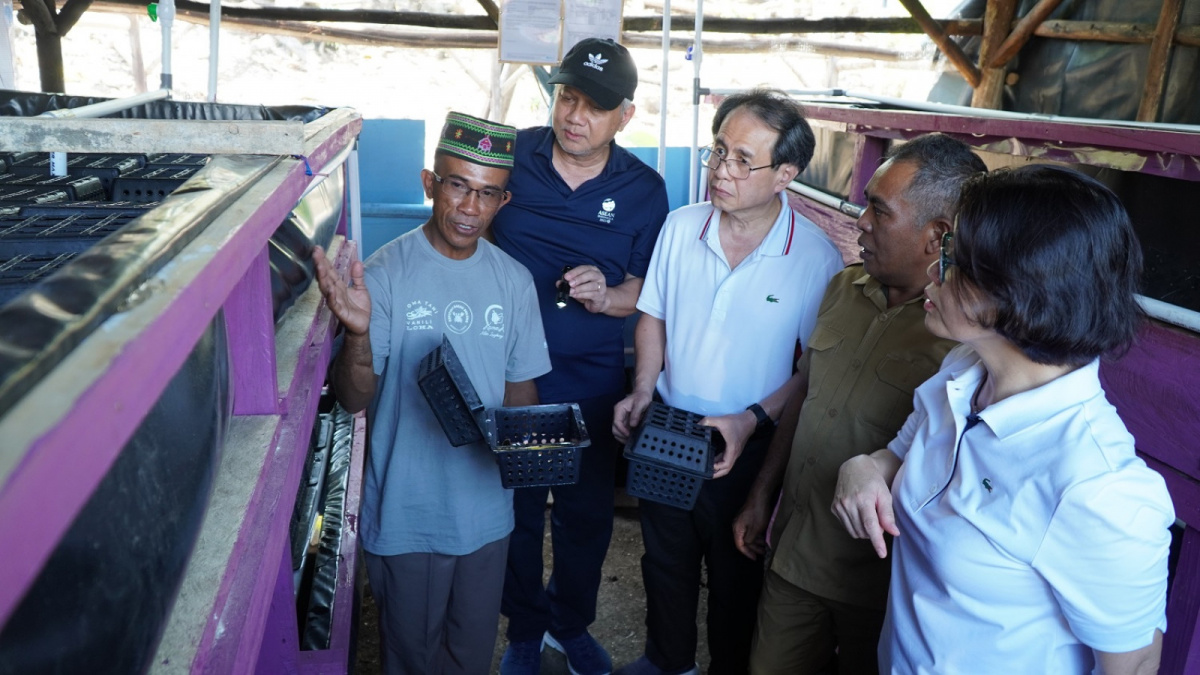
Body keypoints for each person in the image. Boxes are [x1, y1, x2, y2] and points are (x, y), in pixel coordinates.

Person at [832, 165, 1174, 674]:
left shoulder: (1099, 489)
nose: (933, 270)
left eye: (952, 257)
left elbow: (1135, 664)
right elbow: (898, 455)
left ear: (1017, 289)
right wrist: (861, 467)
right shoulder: (965, 372)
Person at [733, 133, 986, 675]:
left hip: (884, 587)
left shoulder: (967, 347)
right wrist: (762, 494)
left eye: (879, 209)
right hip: (795, 556)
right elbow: (805, 395)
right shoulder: (844, 288)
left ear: (935, 236)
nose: (860, 222)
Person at [612, 88, 844, 675]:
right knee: (664, 563)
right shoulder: (681, 226)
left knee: (736, 577)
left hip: (747, 442)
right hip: (669, 428)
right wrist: (643, 387)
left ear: (785, 174)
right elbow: (654, 316)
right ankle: (667, 662)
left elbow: (811, 367)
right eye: (718, 151)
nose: (721, 170)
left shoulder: (813, 258)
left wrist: (751, 419)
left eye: (744, 159)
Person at [312, 112, 551, 675]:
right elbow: (352, 397)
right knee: (411, 659)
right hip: (406, 513)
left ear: (503, 202)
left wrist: (536, 455)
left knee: (470, 657)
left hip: (487, 514)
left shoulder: (513, 280)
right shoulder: (387, 274)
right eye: (457, 185)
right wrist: (359, 335)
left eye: (487, 194)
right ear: (429, 183)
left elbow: (520, 390)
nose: (470, 208)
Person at [490, 37, 670, 675]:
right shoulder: (512, 154)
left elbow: (651, 290)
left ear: (624, 114)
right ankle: (524, 628)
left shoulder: (646, 190)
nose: (575, 115)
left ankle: (570, 624)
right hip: (510, 375)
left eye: (594, 106)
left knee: (584, 516)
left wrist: (609, 294)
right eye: (567, 96)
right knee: (513, 508)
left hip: (589, 379)